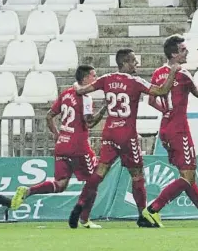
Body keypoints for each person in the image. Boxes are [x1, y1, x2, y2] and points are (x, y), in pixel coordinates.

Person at [69, 49, 180, 229]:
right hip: (127, 136)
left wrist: (76, 87)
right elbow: (161, 91)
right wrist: (173, 72)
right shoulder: (135, 81)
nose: (137, 64)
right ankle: (143, 215)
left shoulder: (106, 79)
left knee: (100, 172)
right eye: (134, 61)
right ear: (126, 62)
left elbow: (81, 90)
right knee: (137, 175)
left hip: (109, 133)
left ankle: (80, 204)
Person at [0, 65, 106, 229]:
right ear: (85, 78)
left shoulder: (66, 94)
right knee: (93, 182)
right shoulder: (86, 98)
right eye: (93, 75)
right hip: (79, 147)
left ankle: (28, 191)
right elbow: (89, 122)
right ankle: (84, 219)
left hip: (62, 145)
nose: (96, 78)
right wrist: (104, 108)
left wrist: (57, 134)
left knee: (60, 184)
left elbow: (49, 116)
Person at [141, 35, 198, 227]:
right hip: (179, 130)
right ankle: (153, 209)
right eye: (183, 49)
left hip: (165, 128)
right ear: (174, 54)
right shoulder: (183, 74)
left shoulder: (158, 73)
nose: (186, 52)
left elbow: (151, 100)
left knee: (186, 174)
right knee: (187, 176)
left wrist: (167, 112)